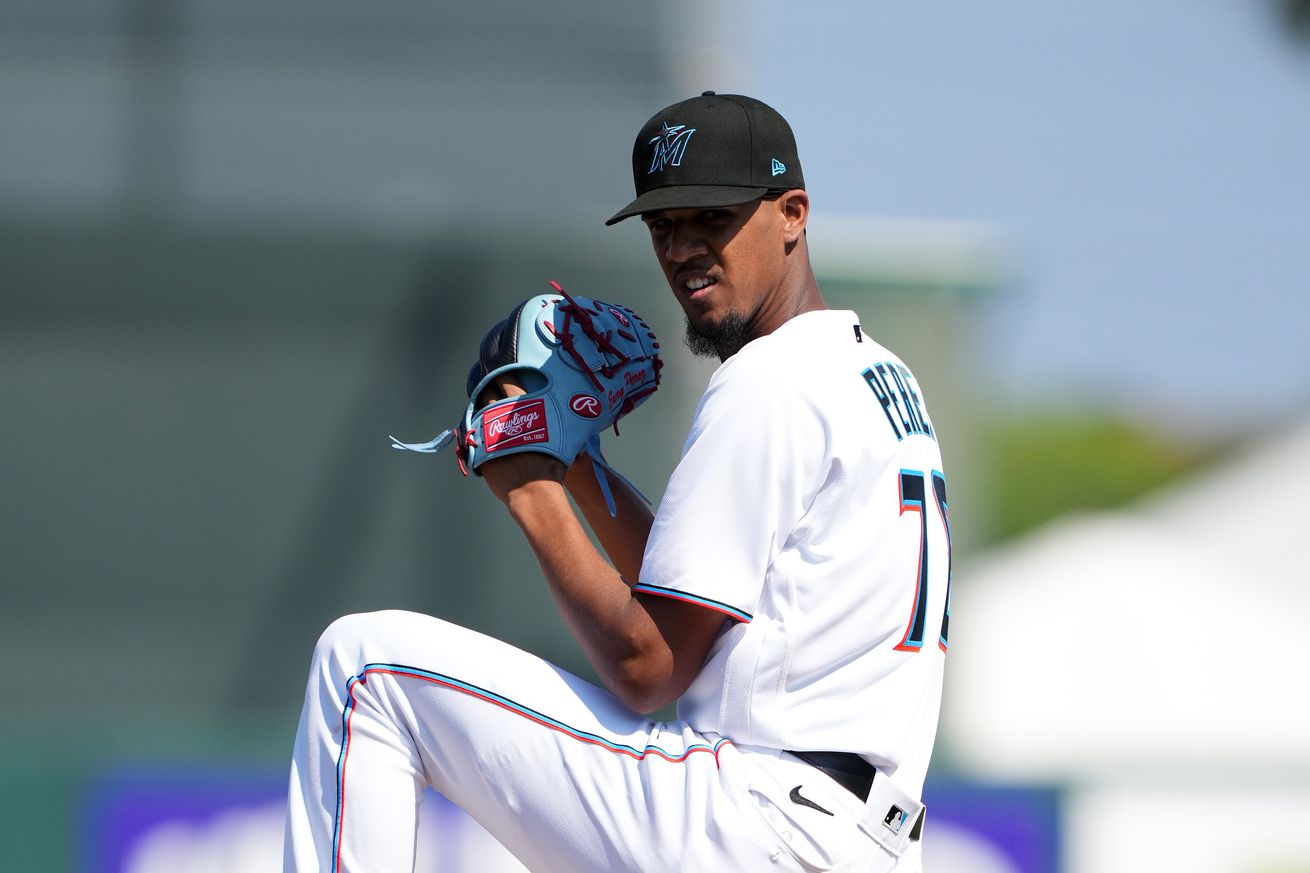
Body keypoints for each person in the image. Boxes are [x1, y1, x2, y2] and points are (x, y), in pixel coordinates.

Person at [283, 91, 951, 873]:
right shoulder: (878, 376)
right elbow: (690, 602)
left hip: (755, 819)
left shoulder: (770, 380)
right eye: (665, 226)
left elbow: (649, 667)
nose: (683, 248)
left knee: (364, 665)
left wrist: (529, 485)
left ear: (792, 213)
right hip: (851, 838)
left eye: (712, 217)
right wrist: (575, 463)